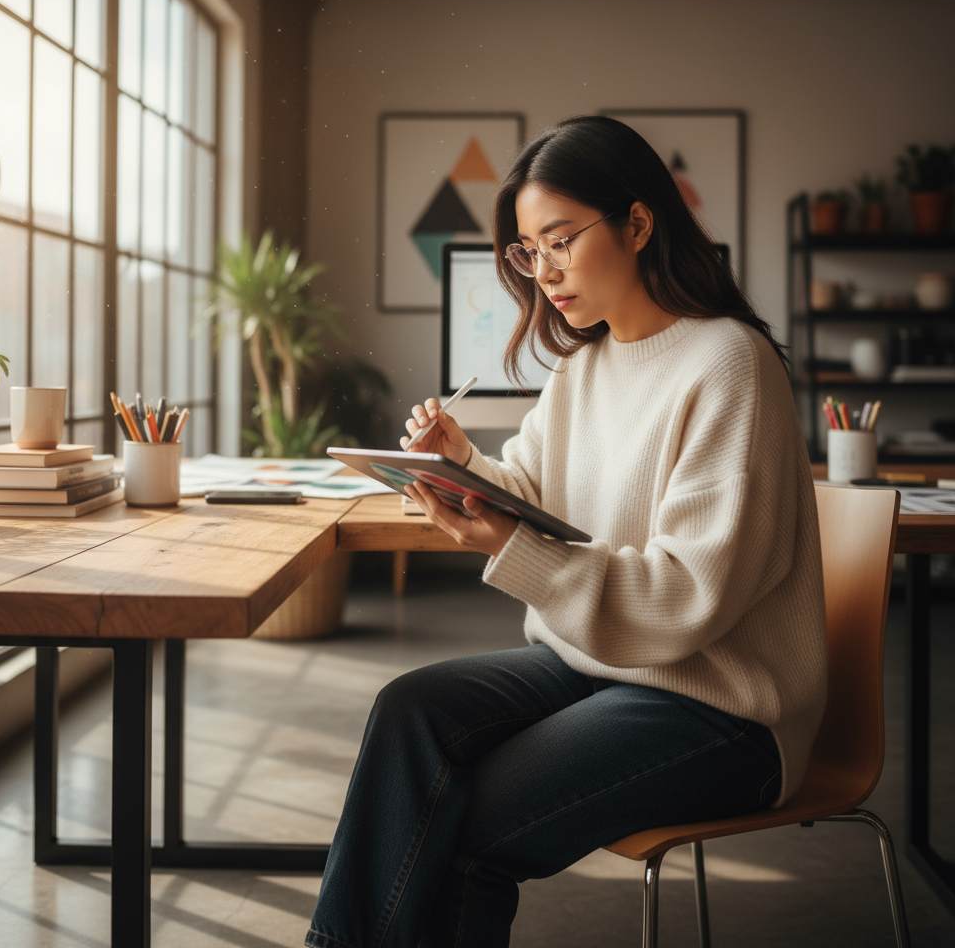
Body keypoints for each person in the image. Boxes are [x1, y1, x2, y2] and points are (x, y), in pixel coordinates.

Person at [305, 116, 826, 948]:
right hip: (594, 663)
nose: (541, 271)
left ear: (639, 223)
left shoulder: (729, 364)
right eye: (525, 250)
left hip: (718, 704)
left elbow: (689, 598)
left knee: (468, 827)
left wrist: (509, 547)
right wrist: (461, 465)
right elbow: (534, 496)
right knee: (409, 710)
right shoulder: (584, 367)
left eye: (558, 241)